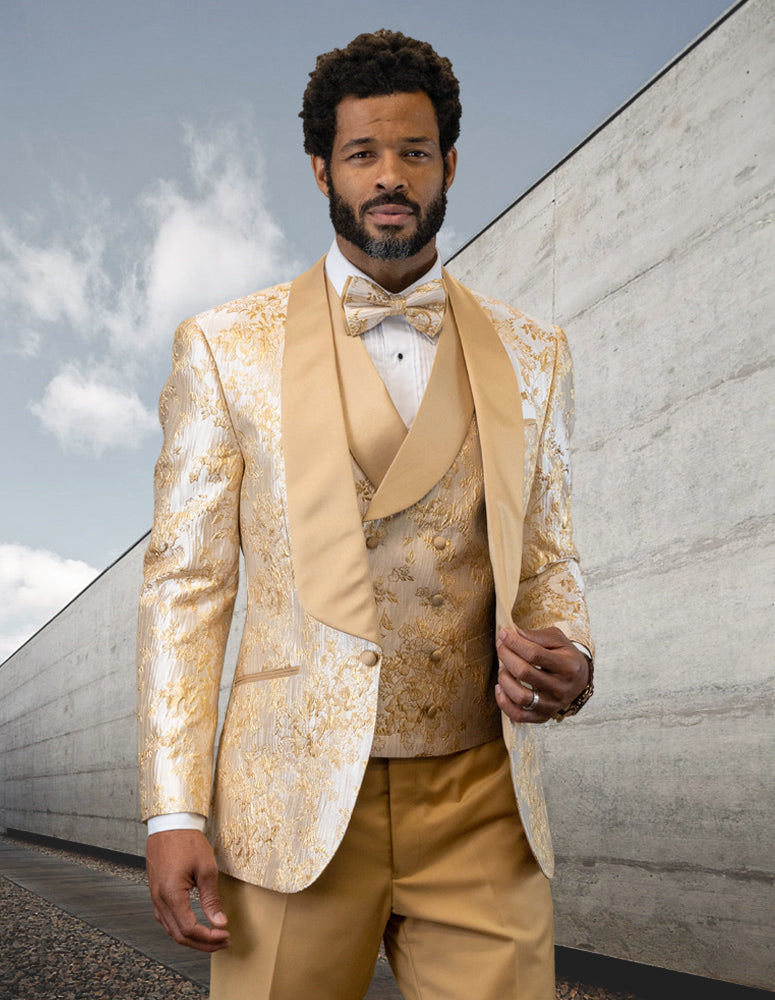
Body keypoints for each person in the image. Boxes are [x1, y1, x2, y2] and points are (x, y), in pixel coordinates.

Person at [137, 29, 593, 1000]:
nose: (390, 175)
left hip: (482, 803)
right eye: (363, 153)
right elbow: (185, 590)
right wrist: (171, 807)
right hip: (292, 800)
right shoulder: (225, 348)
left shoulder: (534, 350)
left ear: (448, 165)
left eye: (413, 153)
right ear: (320, 169)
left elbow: (550, 557)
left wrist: (571, 656)